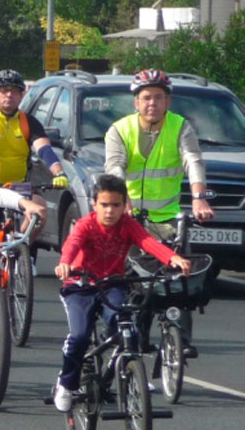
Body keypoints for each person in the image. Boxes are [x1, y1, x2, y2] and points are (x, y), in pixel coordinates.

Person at [51, 172, 191, 411]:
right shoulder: (86, 225)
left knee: (127, 329)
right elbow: (72, 244)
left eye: (116, 205)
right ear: (94, 205)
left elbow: (147, 241)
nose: (109, 211)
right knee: (80, 336)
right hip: (80, 286)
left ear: (125, 205)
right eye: (104, 205)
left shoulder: (127, 224)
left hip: (112, 284)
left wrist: (172, 258)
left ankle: (130, 375)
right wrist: (65, 262)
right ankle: (66, 383)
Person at [0, 69, 68, 245]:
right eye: (3, 90)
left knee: (41, 211)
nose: (9, 95)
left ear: (22, 95)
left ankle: (20, 247)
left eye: (14, 90)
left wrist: (59, 173)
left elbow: (45, 150)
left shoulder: (30, 122)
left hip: (19, 187)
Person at [104, 69, 214, 235]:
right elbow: (115, 167)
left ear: (167, 102)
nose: (152, 103)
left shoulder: (180, 126)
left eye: (158, 97)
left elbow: (193, 161)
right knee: (121, 259)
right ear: (136, 102)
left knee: (176, 260)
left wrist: (199, 198)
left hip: (168, 220)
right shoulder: (120, 129)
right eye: (146, 98)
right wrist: (123, 200)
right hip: (128, 216)